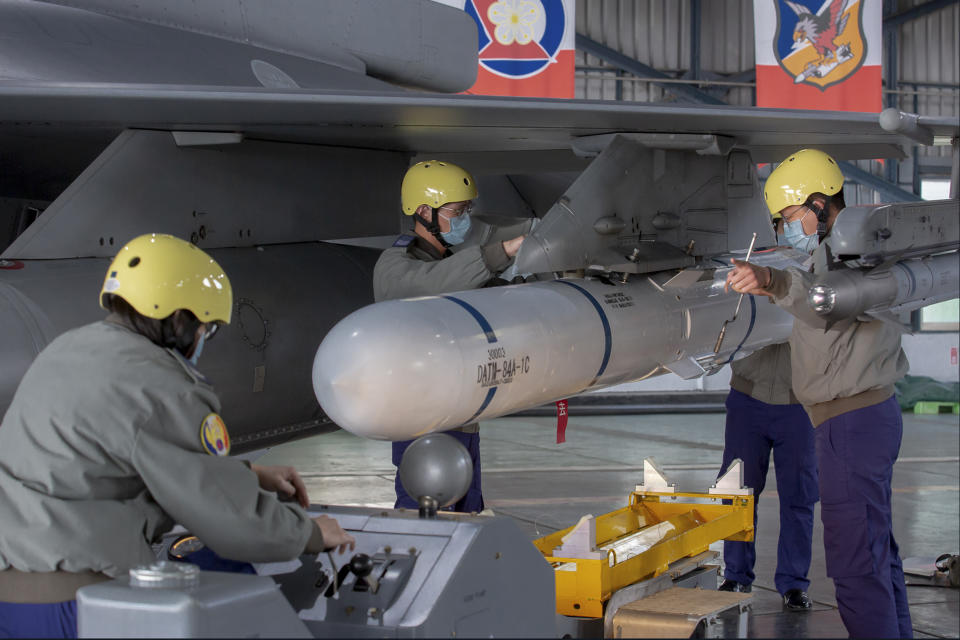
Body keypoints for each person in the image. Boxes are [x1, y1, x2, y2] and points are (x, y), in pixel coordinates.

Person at [0, 233, 355, 639]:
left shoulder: (67, 350)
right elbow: (231, 521)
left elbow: (108, 459)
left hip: (13, 597)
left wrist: (248, 473)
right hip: (81, 603)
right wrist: (309, 533)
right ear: (180, 319)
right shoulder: (160, 383)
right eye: (206, 326)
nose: (203, 338)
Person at [726, 149, 912, 638]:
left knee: (854, 567)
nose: (787, 228)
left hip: (851, 423)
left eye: (789, 217)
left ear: (817, 203)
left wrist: (770, 280)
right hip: (854, 419)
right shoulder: (840, 248)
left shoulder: (854, 252)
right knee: (875, 554)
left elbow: (823, 303)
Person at [373, 160, 530, 512]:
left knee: (467, 514)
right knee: (424, 517)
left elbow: (491, 299)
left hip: (460, 414)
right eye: (458, 211)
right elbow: (429, 283)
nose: (465, 220)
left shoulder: (453, 262)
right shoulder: (395, 266)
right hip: (422, 421)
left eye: (467, 210)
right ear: (425, 212)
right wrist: (504, 250)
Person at [717, 230, 818, 609]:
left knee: (800, 495)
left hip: (800, 404)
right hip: (749, 398)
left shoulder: (816, 267)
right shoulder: (753, 258)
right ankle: (736, 576)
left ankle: (794, 583)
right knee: (738, 493)